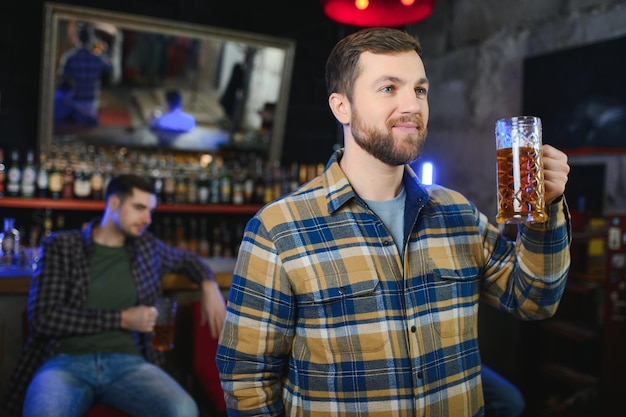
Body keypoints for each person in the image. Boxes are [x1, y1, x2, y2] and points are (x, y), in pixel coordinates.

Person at [216, 27, 571, 416]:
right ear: (342, 107)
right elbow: (247, 382)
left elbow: (535, 300)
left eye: (420, 90)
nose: (412, 106)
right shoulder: (278, 229)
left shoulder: (457, 214)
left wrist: (545, 209)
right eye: (388, 88)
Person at [1, 174, 226, 417]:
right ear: (114, 203)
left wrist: (209, 286)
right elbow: (43, 319)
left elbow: (189, 260)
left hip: (129, 363)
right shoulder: (62, 246)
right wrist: (122, 318)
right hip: (65, 362)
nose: (147, 219)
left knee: (183, 410)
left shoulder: (147, 247)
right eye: (139, 208)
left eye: (150, 210)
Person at [57, 25, 113, 124]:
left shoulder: (70, 57)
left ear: (78, 38)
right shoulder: (97, 58)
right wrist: (102, 51)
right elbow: (110, 68)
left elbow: (62, 78)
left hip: (74, 101)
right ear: (90, 39)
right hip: (90, 101)